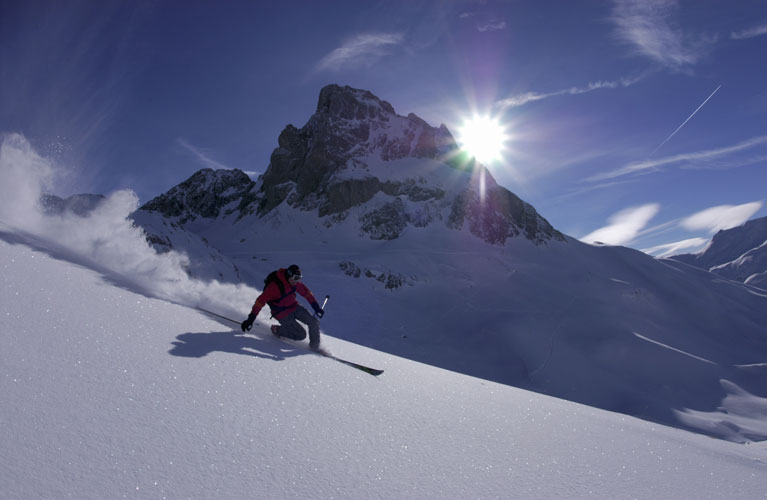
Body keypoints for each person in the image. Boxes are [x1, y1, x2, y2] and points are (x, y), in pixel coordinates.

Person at [241, 264, 325, 351]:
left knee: (313, 322)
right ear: (289, 275)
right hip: (282, 314)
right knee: (301, 335)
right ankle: (277, 330)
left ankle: (314, 348)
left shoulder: (294, 283)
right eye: (296, 278)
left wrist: (316, 307)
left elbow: (306, 293)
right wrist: (250, 320)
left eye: (299, 278)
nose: (298, 281)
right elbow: (259, 302)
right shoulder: (274, 287)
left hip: (294, 307)